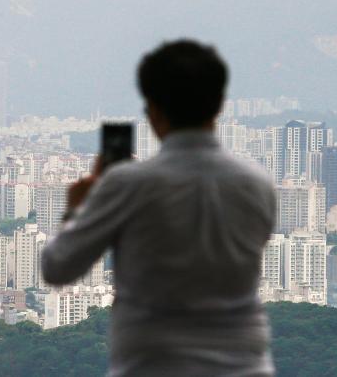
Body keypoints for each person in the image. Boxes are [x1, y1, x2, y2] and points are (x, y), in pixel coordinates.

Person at [41, 39, 276, 376]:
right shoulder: (257, 184)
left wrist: (78, 209)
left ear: (153, 110)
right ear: (220, 105)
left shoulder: (129, 184)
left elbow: (57, 267)